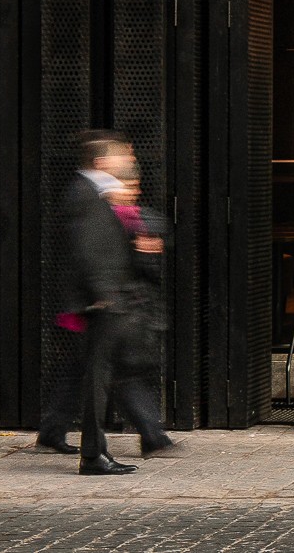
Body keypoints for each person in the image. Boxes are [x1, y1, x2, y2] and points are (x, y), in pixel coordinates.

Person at [58, 129, 139, 475]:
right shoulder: (87, 194)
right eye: (122, 156)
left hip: (103, 298)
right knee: (96, 378)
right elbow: (87, 248)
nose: (128, 161)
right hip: (100, 302)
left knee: (98, 376)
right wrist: (103, 294)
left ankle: (94, 452)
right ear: (103, 161)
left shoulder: (96, 192)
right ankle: (93, 455)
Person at [106, 170, 175, 457]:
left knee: (111, 374)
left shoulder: (139, 219)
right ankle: (152, 436)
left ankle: (52, 430)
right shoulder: (119, 220)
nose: (131, 190)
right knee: (124, 376)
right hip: (122, 309)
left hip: (131, 310)